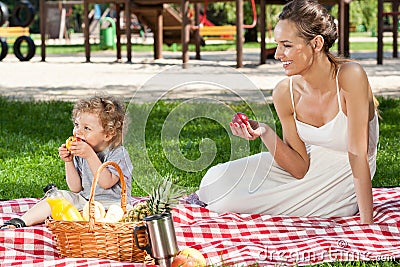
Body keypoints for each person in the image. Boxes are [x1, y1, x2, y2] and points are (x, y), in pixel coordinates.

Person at [198, 0, 379, 224]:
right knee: (214, 181)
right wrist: (264, 131)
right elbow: (299, 168)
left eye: (287, 45)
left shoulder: (350, 76)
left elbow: (357, 154)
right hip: (310, 165)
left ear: (317, 43)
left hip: (342, 177)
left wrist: (367, 222)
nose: (277, 54)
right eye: (278, 45)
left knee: (226, 203)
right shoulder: (285, 92)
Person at [1, 95, 133, 229]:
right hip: (85, 202)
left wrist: (89, 155)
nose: (78, 132)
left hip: (113, 206)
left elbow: (106, 182)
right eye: (77, 125)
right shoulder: (82, 151)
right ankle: (22, 221)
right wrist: (68, 161)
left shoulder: (119, 153)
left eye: (86, 128)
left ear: (108, 134)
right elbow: (75, 188)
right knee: (57, 197)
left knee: (122, 216)